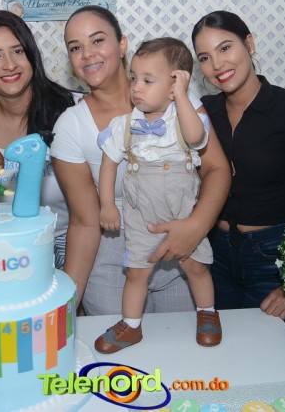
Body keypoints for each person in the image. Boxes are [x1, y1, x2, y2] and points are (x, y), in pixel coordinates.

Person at [51, 5, 231, 318]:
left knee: (181, 342)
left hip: (179, 240)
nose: (88, 54)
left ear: (122, 44)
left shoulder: (177, 98)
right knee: (122, 345)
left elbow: (216, 168)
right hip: (113, 253)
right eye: (75, 48)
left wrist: (197, 225)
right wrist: (66, 310)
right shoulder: (71, 125)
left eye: (97, 40)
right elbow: (84, 221)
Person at [191, 10, 285, 337]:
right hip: (214, 257)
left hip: (275, 260)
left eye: (225, 48)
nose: (217, 64)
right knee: (220, 354)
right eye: (205, 58)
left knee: (272, 357)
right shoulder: (203, 112)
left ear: (249, 44)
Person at [93, 37, 220, 353]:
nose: (136, 87)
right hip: (142, 213)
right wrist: (107, 204)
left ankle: (207, 313)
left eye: (148, 81)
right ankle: (131, 325)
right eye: (134, 77)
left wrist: (182, 97)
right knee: (137, 272)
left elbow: (196, 138)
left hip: (182, 210)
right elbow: (108, 164)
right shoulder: (124, 125)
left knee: (196, 267)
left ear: (175, 83)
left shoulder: (184, 119)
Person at [0, 10, 77, 268]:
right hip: (4, 256)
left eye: (17, 51)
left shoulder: (73, 111)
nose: (9, 65)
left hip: (72, 248)